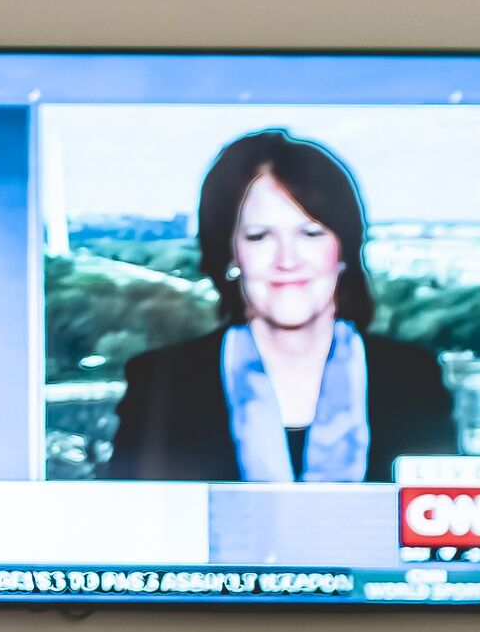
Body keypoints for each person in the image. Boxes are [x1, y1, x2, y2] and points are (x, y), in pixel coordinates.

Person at [105, 126, 455, 484]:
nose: (287, 259)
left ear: (344, 249)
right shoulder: (161, 385)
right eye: (260, 236)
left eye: (311, 233)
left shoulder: (416, 380)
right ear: (230, 253)